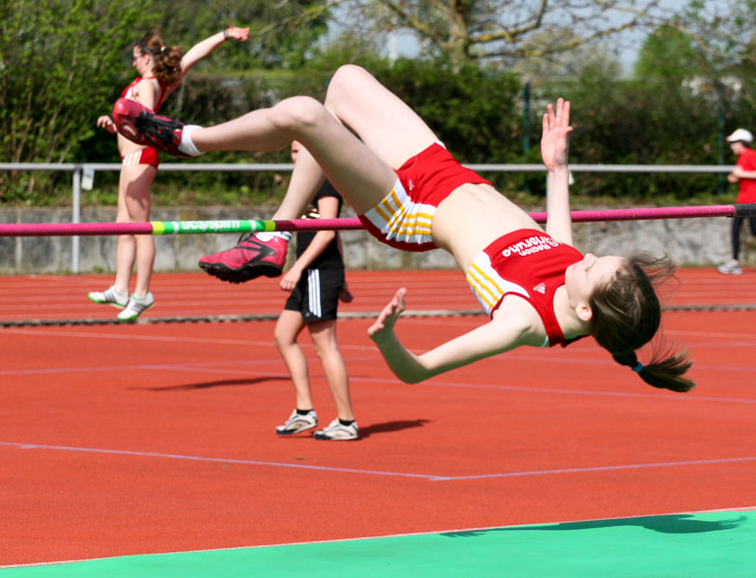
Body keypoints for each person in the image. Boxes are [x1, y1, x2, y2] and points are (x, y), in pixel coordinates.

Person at [112, 64, 695, 392]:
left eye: (594, 268)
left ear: (586, 311)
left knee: (305, 115)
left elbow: (417, 372)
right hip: (440, 168)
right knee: (342, 84)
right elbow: (563, 234)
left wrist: (388, 338)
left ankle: (185, 140)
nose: (585, 258)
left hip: (409, 210)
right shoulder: (570, 270)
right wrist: (557, 168)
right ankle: (272, 238)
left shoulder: (525, 321)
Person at [88, 26, 250, 321]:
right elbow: (194, 55)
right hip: (130, 157)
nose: (133, 62)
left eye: (136, 57)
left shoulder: (147, 86)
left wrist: (226, 35)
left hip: (140, 156)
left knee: (140, 228)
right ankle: (121, 288)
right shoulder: (158, 81)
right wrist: (225, 34)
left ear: (147, 58)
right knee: (123, 225)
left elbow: (145, 125)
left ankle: (142, 293)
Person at [273, 141, 359, 440]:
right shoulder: (305, 183)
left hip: (318, 272)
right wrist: (344, 279)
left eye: (302, 151)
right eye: (293, 151)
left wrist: (297, 269)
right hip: (311, 272)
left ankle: (346, 422)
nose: (296, 156)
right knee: (283, 336)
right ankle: (304, 411)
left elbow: (329, 230)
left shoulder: (324, 179)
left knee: (325, 346)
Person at [716, 128, 756, 276]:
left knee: (747, 229)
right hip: (744, 199)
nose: (732, 146)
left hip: (752, 199)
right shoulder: (742, 156)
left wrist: (741, 174)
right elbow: (738, 175)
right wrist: (736, 176)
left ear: (742, 143)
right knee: (746, 229)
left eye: (734, 143)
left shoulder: (749, 154)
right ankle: (735, 262)